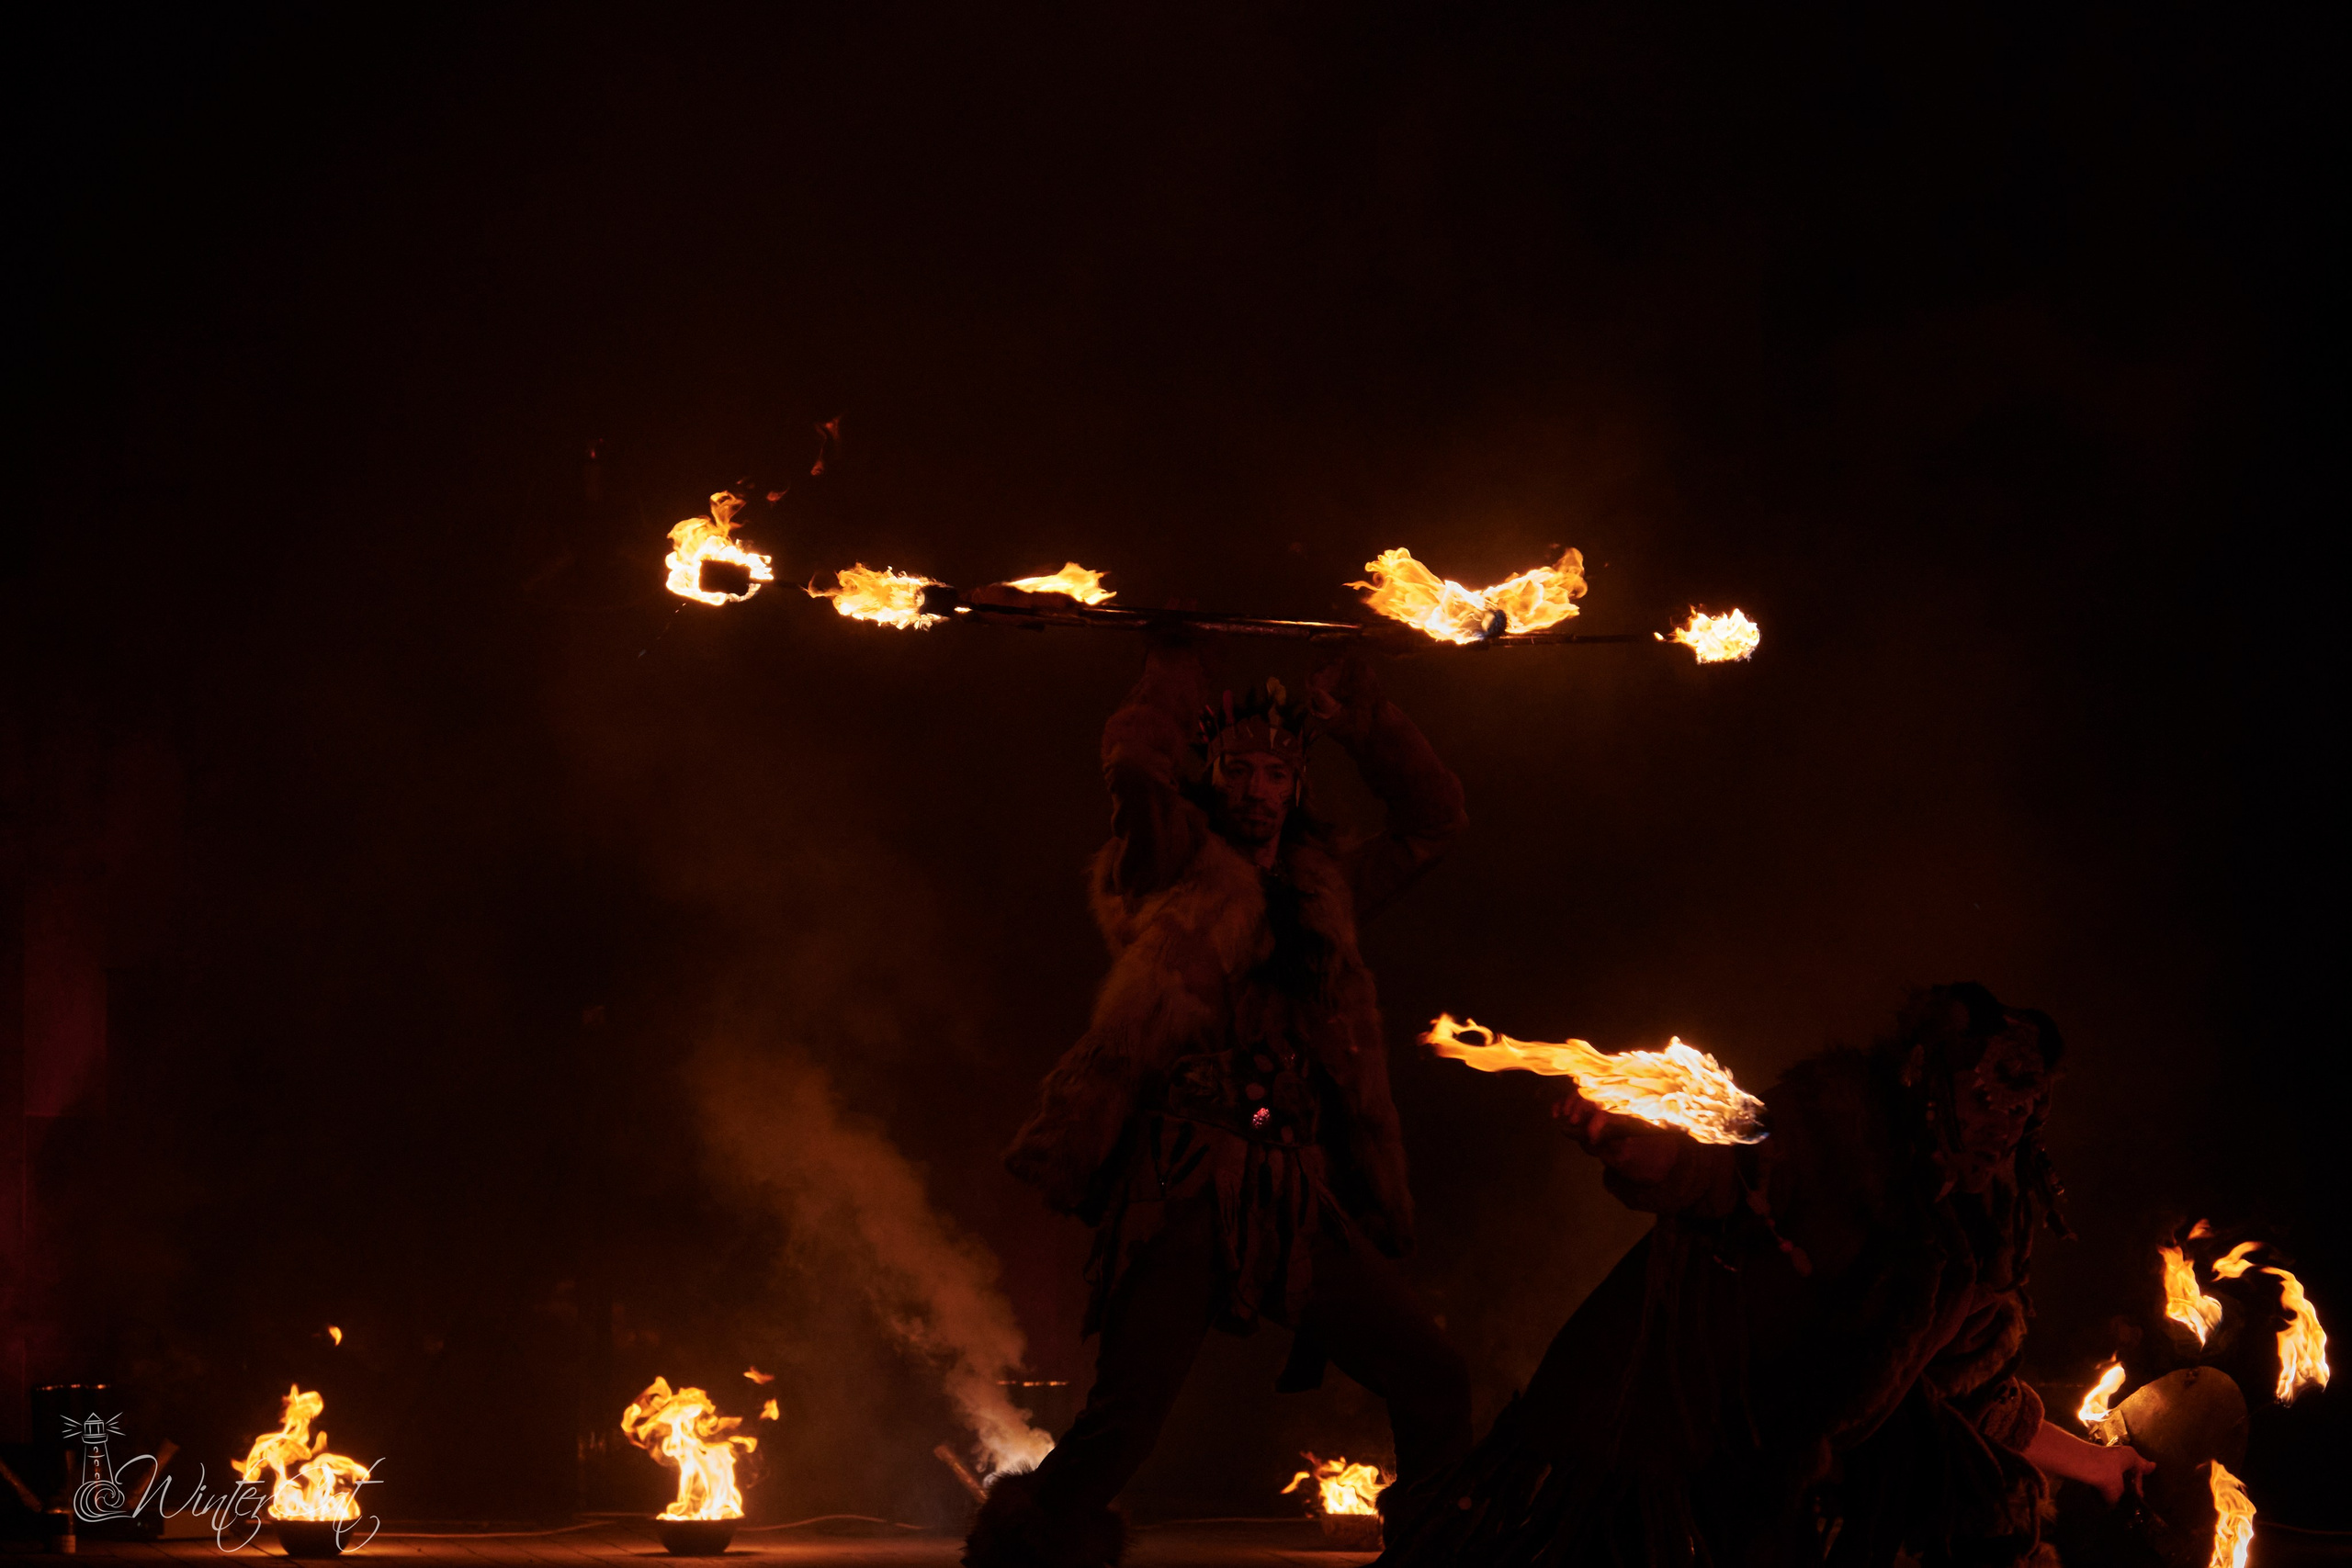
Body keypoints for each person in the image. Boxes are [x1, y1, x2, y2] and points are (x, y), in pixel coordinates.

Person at [965, 628, 1474, 1568]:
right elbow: (1133, 771)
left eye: (1274, 774)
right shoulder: (1167, 859)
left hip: (1291, 1191)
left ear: (1297, 785)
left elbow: (1435, 821)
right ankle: (1019, 1560)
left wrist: (1366, 719)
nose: (1254, 791)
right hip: (1186, 1184)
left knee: (1434, 1377)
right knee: (1121, 1425)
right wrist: (1171, 670)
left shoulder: (1328, 885)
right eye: (1235, 771)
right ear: (1213, 775)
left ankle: (1438, 1553)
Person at [1375, 983, 2154, 1568]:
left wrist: (2097, 1464)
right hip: (1651, 1462)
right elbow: (1718, 1175)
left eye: (2021, 1116)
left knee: (1976, 1505)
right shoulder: (1827, 1138)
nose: (2001, 1129)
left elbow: (1970, 1397)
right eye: (1984, 1101)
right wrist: (1645, 1152)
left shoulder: (1966, 1246)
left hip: (1789, 1488)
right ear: (1928, 1082)